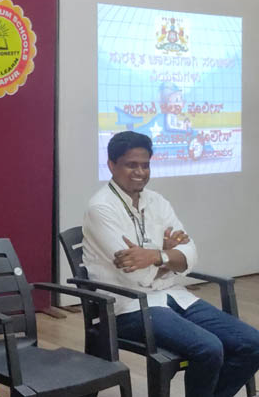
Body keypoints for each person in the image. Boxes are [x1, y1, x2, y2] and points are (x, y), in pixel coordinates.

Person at [83, 131, 259, 397]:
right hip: (127, 307)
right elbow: (136, 276)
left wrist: (158, 256)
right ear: (111, 165)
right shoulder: (101, 208)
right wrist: (167, 256)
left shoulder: (157, 201)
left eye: (145, 165)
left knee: (252, 343)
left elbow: (190, 253)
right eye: (131, 165)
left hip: (173, 295)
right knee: (208, 348)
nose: (140, 172)